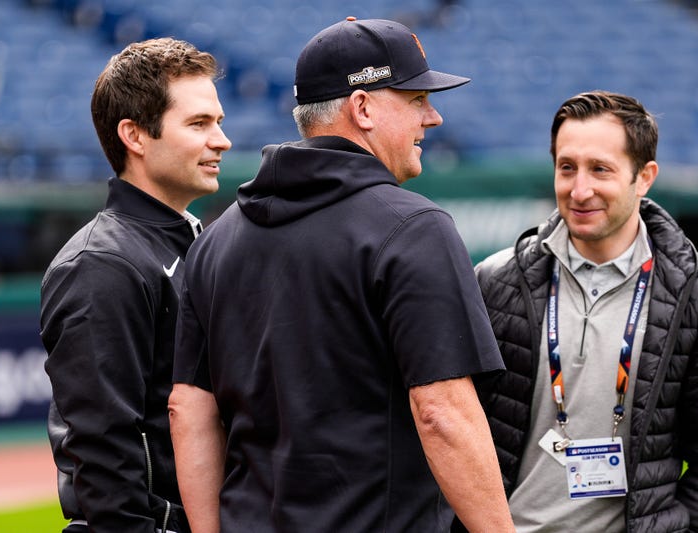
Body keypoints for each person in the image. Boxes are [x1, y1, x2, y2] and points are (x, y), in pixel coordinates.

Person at [168, 16, 513, 533]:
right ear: (364, 107)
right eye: (417, 99)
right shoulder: (414, 227)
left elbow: (188, 411)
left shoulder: (217, 238)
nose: (434, 117)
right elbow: (442, 413)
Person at [472, 90, 698, 532]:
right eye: (567, 167)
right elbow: (446, 428)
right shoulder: (495, 283)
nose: (579, 189)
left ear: (644, 177)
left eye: (600, 170)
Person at [40, 37, 232, 532]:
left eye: (219, 122)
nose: (221, 140)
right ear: (135, 136)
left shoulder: (195, 239)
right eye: (199, 124)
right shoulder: (100, 264)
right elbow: (101, 452)